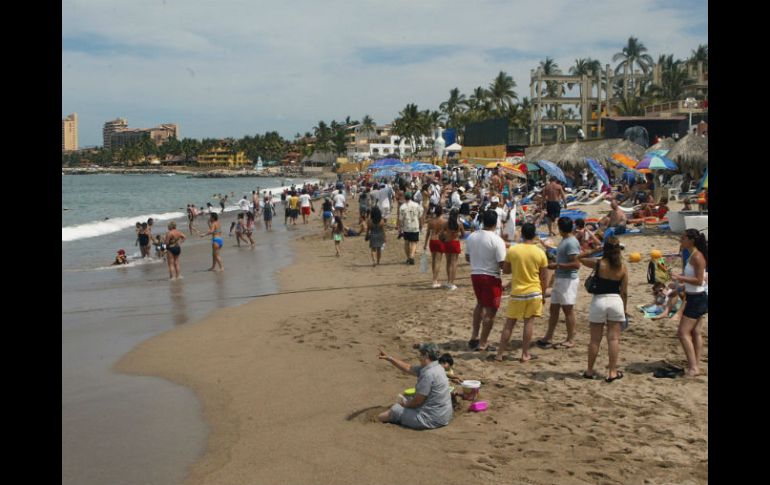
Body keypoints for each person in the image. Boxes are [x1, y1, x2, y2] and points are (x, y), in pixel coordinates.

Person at [495, 223, 549, 363]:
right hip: (534, 291)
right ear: (535, 235)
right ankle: (525, 353)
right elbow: (544, 277)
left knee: (509, 324)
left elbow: (506, 270)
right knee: (528, 323)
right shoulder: (540, 252)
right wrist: (543, 294)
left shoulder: (514, 250)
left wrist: (517, 267)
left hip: (518, 291)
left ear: (523, 234)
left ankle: (500, 353)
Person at [579, 236, 628, 382]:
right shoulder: (623, 267)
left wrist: (596, 249)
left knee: (595, 340)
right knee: (613, 339)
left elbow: (579, 257)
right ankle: (612, 371)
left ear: (605, 248)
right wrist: (624, 311)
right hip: (615, 301)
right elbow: (624, 292)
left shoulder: (599, 263)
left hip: (599, 300)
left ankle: (589, 370)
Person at [376, 343, 453, 430]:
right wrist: (390, 358)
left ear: (426, 355)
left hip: (432, 420)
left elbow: (417, 402)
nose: (419, 357)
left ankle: (374, 420)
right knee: (407, 399)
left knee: (395, 410)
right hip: (445, 415)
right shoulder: (437, 367)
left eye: (420, 355)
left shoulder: (428, 374)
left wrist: (404, 405)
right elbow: (409, 368)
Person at [465, 210, 507, 352]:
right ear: (496, 223)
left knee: (480, 305)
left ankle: (475, 336)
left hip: (476, 274)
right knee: (491, 310)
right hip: (490, 276)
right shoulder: (496, 240)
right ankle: (483, 343)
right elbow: (502, 264)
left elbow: (467, 257)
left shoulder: (472, 236)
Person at [537, 217, 581, 350]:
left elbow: (576, 264)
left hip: (568, 280)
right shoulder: (565, 240)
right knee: (554, 309)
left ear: (561, 229)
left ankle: (570, 339)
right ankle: (549, 336)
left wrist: (557, 265)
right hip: (561, 278)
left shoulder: (571, 242)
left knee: (568, 310)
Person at [670, 229, 708, 377]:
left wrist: (680, 278)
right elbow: (693, 279)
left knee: (682, 333)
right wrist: (678, 282)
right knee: (695, 332)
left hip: (697, 299)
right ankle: (695, 365)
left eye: (683, 237)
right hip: (695, 297)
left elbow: (699, 281)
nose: (681, 239)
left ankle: (693, 367)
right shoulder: (692, 255)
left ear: (691, 240)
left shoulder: (697, 257)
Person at [398, 191, 424, 265]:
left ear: (404, 197)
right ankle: (412, 256)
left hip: (406, 227)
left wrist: (400, 228)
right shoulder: (416, 205)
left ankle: (408, 257)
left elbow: (400, 219)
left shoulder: (402, 207)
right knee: (414, 242)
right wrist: (421, 225)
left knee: (406, 242)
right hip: (415, 226)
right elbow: (420, 216)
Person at [442, 208, 465, 291]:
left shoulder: (446, 223)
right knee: (454, 263)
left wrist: (447, 235)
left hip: (447, 243)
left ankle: (448, 281)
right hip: (455, 243)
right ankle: (452, 282)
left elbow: (442, 233)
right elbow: (463, 234)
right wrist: (457, 235)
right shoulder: (459, 223)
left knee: (448, 262)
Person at [423, 205, 445, 288]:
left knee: (433, 260)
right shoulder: (443, 221)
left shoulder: (431, 221)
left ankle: (434, 278)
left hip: (432, 241)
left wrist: (425, 243)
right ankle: (435, 280)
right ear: (441, 212)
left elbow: (428, 233)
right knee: (438, 261)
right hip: (439, 241)